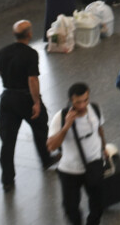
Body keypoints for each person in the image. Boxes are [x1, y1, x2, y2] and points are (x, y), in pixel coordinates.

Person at [0, 20, 56, 192]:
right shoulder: (30, 54)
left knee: (8, 141)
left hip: (7, 98)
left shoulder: (2, 52)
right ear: (29, 34)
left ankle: (7, 180)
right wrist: (36, 102)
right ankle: (46, 159)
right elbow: (32, 79)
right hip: (25, 98)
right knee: (40, 128)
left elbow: (0, 72)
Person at [45, 82, 107, 225]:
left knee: (97, 203)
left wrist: (104, 148)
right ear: (70, 101)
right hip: (70, 170)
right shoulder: (60, 117)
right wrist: (66, 126)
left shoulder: (95, 109)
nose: (82, 105)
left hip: (94, 164)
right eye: (78, 102)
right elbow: (51, 146)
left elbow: (99, 129)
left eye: (85, 100)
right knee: (70, 207)